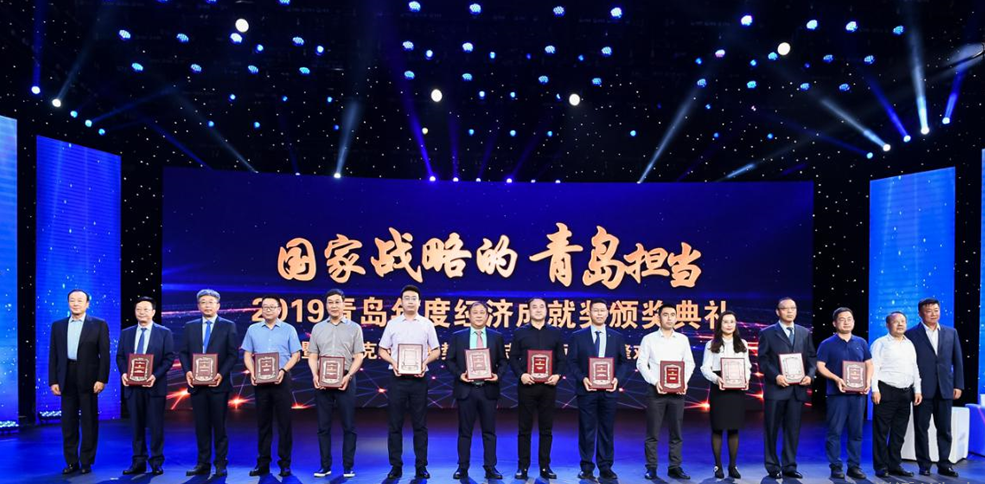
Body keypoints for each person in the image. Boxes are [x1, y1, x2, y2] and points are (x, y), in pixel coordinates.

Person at [377, 285, 441, 480]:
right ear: (401, 302)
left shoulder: (427, 324)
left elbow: (436, 350)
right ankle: (395, 466)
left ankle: (421, 466)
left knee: (420, 425)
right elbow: (382, 350)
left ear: (419, 302)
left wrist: (424, 363)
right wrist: (394, 362)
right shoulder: (393, 324)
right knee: (395, 424)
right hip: (397, 379)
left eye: (414, 298)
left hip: (419, 380)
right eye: (407, 298)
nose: (410, 301)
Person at [568, 299, 632, 481]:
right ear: (589, 313)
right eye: (595, 310)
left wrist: (617, 379)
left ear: (607, 313)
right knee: (586, 429)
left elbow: (623, 362)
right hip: (586, 390)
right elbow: (572, 361)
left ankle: (605, 467)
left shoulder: (616, 337)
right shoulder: (578, 336)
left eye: (602, 310)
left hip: (609, 391)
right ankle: (586, 467)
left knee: (606, 429)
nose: (599, 313)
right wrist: (583, 379)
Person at [178, 289, 239, 478]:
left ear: (218, 305)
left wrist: (220, 374)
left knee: (219, 426)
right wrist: (188, 371)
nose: (207, 305)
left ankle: (221, 463)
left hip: (219, 385)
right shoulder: (190, 326)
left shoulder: (228, 326)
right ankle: (202, 463)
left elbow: (233, 355)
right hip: (197, 385)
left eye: (211, 302)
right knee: (201, 426)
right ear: (198, 306)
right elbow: (183, 352)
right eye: (203, 302)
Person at [49, 289, 110, 475]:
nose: (75, 303)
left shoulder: (99, 324)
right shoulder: (58, 326)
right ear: (68, 303)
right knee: (68, 422)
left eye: (80, 300)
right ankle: (71, 462)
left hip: (89, 379)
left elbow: (104, 355)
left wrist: (102, 379)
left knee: (89, 421)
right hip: (66, 376)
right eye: (72, 300)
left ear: (87, 304)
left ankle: (86, 461)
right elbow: (53, 355)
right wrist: (53, 380)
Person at [445, 301, 508, 480]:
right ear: (469, 315)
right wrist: (460, 375)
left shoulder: (496, 337)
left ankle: (490, 467)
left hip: (488, 389)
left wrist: (497, 375)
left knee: (489, 432)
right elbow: (449, 360)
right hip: (466, 390)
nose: (479, 315)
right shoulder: (458, 336)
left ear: (488, 316)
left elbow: (503, 361)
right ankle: (462, 467)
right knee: (465, 432)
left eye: (482, 312)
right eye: (475, 312)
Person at [242, 295, 302, 478]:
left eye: (272, 307)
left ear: (279, 309)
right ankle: (263, 463)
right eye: (265, 306)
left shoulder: (288, 329)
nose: (268, 310)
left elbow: (296, 355)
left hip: (282, 380)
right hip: (261, 382)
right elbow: (247, 354)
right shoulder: (253, 329)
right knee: (263, 424)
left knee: (284, 423)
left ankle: (285, 464)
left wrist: (283, 370)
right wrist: (253, 371)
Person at [308, 288, 365, 479]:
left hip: (345, 379)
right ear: (326, 305)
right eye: (330, 302)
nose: (334, 305)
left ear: (344, 304)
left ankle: (348, 466)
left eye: (337, 302)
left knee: (348, 425)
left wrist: (349, 376)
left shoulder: (354, 328)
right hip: (322, 380)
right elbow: (313, 355)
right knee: (323, 426)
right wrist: (315, 374)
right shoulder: (318, 328)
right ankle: (325, 466)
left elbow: (359, 355)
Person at [757, 297, 816, 479]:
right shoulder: (767, 333)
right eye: (785, 308)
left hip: (797, 390)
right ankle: (772, 466)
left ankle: (789, 466)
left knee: (793, 430)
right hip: (776, 389)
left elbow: (812, 357)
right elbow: (763, 360)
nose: (790, 311)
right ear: (778, 311)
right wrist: (776, 376)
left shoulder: (804, 332)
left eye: (793, 308)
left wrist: (810, 375)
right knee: (771, 430)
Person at [116, 297, 175, 476]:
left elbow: (169, 358)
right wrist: (124, 373)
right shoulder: (126, 333)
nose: (142, 312)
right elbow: (120, 357)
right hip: (132, 387)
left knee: (156, 426)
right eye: (138, 309)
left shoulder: (164, 332)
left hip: (155, 387)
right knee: (136, 426)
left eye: (146, 309)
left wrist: (154, 376)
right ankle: (138, 461)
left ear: (153, 312)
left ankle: (156, 461)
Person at [906, 297, 964, 477]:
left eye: (936, 310)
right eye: (929, 311)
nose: (933, 314)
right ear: (920, 313)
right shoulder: (911, 334)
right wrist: (913, 388)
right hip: (922, 390)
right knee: (921, 429)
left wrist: (958, 385)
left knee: (944, 429)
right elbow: (909, 364)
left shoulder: (951, 332)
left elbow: (958, 361)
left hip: (945, 388)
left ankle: (944, 464)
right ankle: (924, 464)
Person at [509, 297, 566, 480]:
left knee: (546, 429)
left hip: (548, 387)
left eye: (542, 306)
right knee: (524, 428)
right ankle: (523, 466)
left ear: (547, 310)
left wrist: (557, 375)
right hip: (527, 386)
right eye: (534, 307)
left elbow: (562, 359)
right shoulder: (520, 332)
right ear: (529, 310)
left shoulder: (555, 333)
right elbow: (513, 358)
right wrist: (521, 375)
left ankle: (545, 466)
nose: (538, 309)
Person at [637, 304, 695, 480]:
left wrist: (683, 382)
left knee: (676, 432)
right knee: (653, 432)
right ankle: (651, 467)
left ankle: (674, 467)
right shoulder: (649, 339)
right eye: (665, 314)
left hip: (678, 392)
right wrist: (655, 381)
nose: (669, 318)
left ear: (676, 317)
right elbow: (641, 363)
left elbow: (689, 363)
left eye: (672, 314)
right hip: (656, 391)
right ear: (658, 318)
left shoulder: (682, 339)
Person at [816, 307, 872, 480]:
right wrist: (836, 378)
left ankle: (854, 466)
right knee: (835, 432)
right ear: (834, 323)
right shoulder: (827, 343)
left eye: (849, 319)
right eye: (842, 319)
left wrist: (868, 381)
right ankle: (835, 466)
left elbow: (869, 363)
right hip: (837, 394)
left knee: (856, 432)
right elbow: (820, 366)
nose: (846, 322)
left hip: (858, 395)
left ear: (853, 321)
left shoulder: (861, 342)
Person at [870, 311, 922, 478]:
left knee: (899, 432)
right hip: (886, 391)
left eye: (903, 321)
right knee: (881, 432)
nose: (900, 324)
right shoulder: (880, 343)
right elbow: (873, 368)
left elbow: (914, 367)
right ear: (888, 325)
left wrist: (917, 389)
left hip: (906, 393)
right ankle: (881, 466)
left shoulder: (909, 344)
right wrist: (875, 389)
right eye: (896, 321)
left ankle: (895, 464)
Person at [699, 310, 750, 479]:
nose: (729, 325)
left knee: (734, 428)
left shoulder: (742, 343)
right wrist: (716, 379)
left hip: (737, 388)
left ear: (736, 325)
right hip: (719, 388)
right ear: (720, 324)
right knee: (718, 428)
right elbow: (705, 368)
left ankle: (733, 466)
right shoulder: (711, 344)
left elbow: (747, 366)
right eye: (725, 322)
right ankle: (718, 466)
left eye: (732, 322)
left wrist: (746, 379)